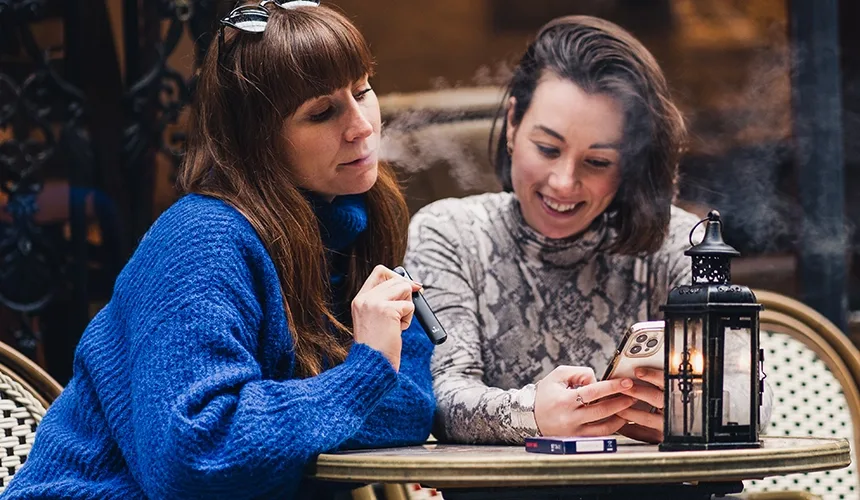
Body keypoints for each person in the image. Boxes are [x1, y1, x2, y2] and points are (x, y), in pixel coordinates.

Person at [4, 2, 435, 498]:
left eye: (363, 91)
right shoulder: (201, 239)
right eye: (321, 112)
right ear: (258, 140)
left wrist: (312, 409)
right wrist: (363, 374)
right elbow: (197, 455)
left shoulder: (361, 223)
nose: (361, 126)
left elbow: (409, 407)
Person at [404, 15, 771, 445]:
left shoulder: (679, 244)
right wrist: (531, 415)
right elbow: (441, 398)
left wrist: (692, 415)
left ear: (631, 165)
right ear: (513, 125)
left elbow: (753, 408)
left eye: (597, 162)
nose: (563, 182)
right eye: (547, 148)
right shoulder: (450, 234)